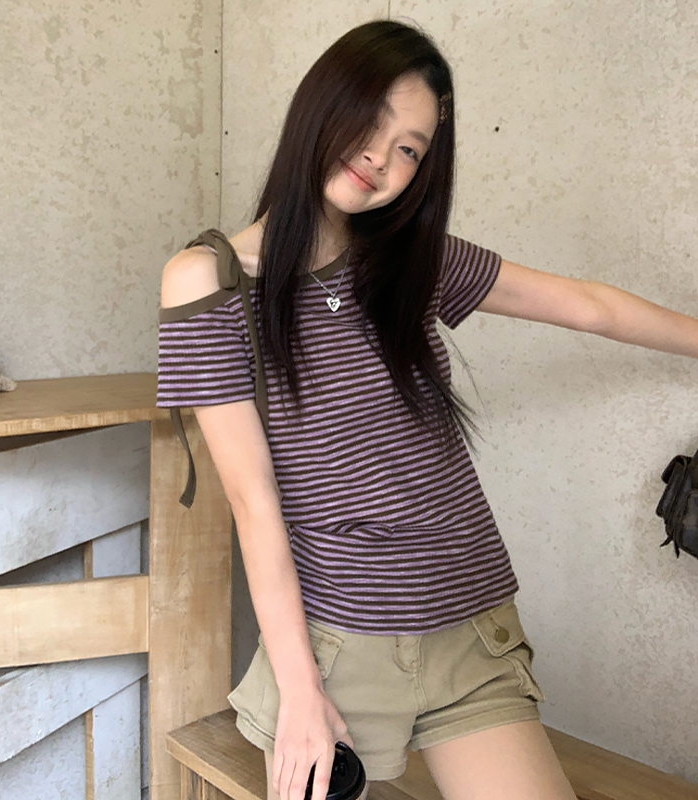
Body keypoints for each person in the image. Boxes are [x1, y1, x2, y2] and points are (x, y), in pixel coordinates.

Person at [157, 20, 698, 800]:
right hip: (337, 647)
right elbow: (252, 498)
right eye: (371, 121)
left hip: (469, 628)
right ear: (322, 105)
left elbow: (590, 307)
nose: (381, 157)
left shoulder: (410, 261)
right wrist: (300, 691)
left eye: (409, 147)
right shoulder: (208, 280)